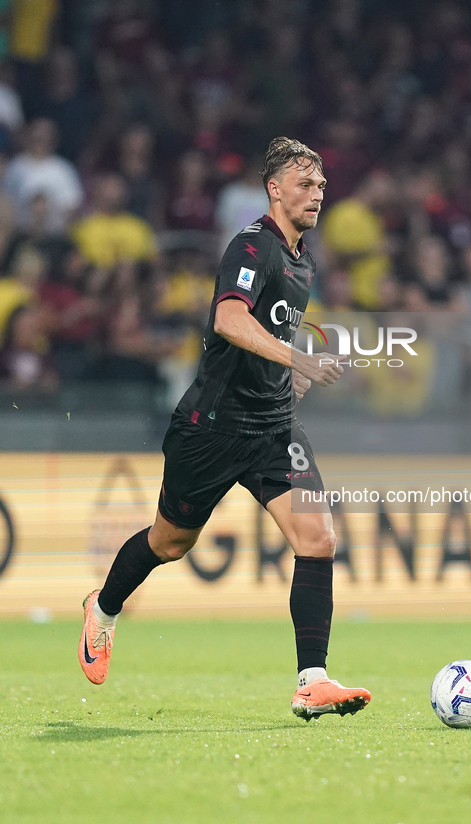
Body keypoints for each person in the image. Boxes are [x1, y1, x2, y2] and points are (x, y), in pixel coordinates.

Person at [78, 136, 371, 721]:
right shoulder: (252, 245)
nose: (316, 195)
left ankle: (311, 680)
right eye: (305, 184)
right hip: (210, 426)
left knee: (319, 540)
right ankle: (103, 611)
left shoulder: (302, 257)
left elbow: (271, 332)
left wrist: (288, 375)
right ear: (274, 188)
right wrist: (300, 361)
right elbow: (229, 318)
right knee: (171, 543)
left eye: (321, 186)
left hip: (271, 427)